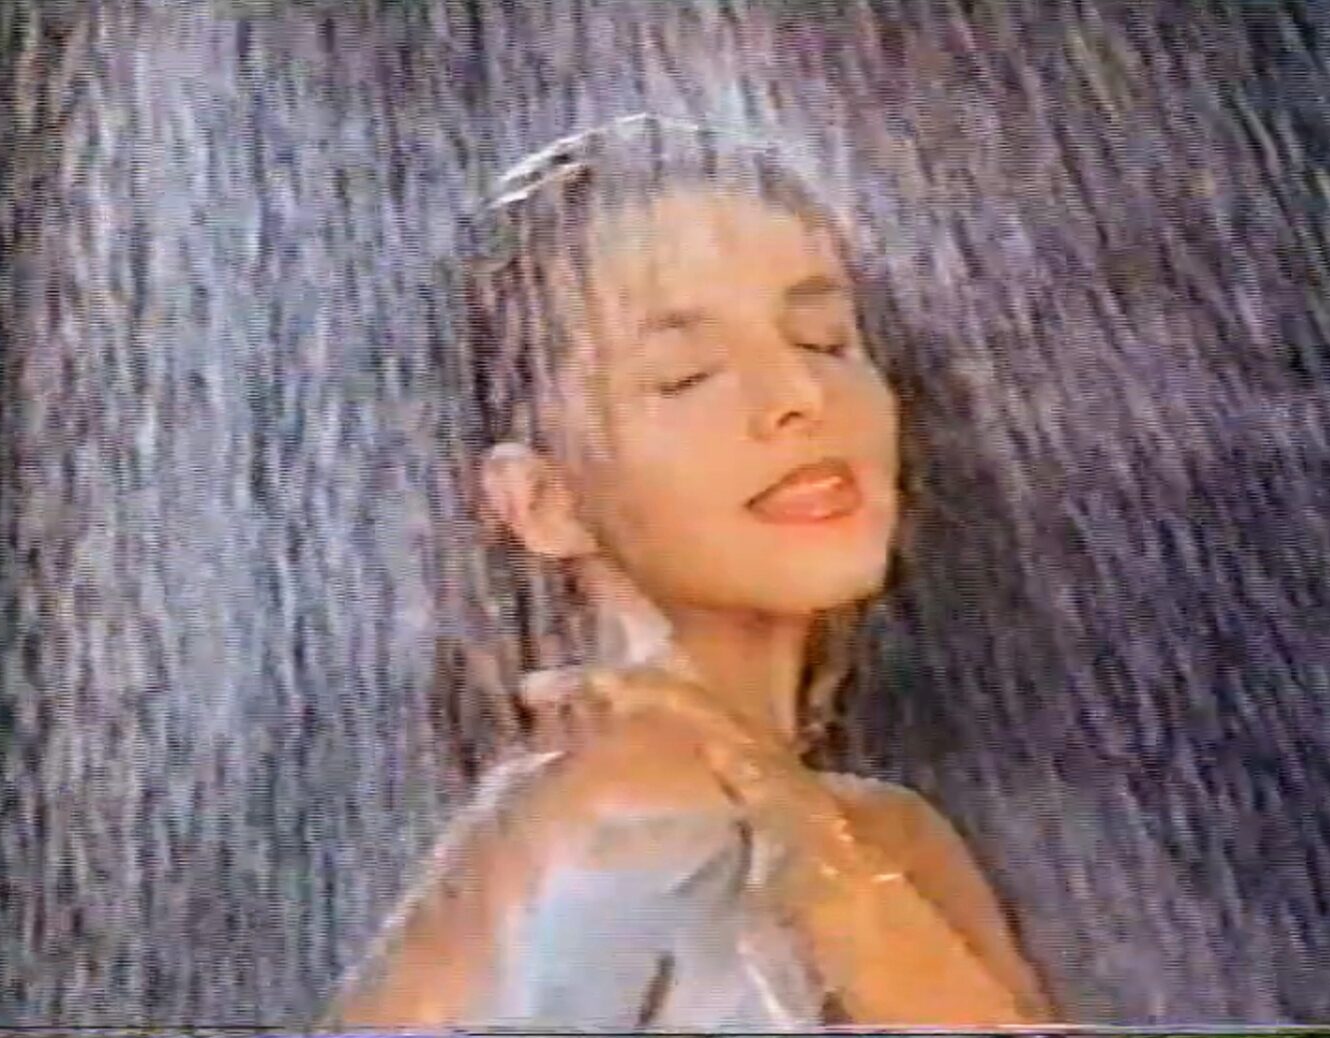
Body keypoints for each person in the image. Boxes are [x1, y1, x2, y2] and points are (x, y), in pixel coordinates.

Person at [323, 113, 1052, 1029]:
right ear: (543, 501)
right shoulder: (599, 803)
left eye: (826, 341)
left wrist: (803, 829)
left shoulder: (885, 835)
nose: (800, 396)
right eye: (686, 375)